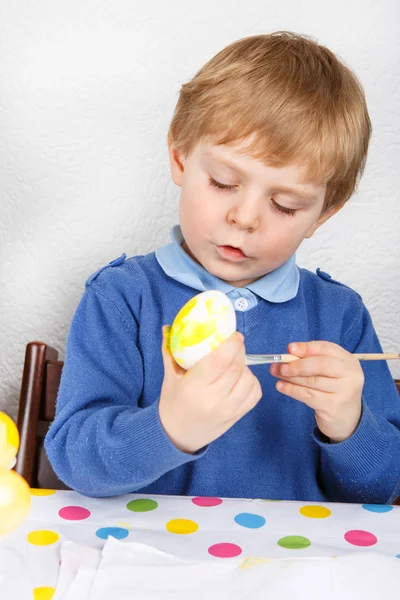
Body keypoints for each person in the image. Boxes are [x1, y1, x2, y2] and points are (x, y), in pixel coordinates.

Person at [45, 32, 400, 503]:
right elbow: (75, 464)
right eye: (223, 181)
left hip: (294, 570)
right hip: (148, 565)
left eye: (286, 204)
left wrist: (349, 426)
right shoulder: (123, 298)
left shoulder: (340, 316)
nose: (245, 218)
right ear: (179, 158)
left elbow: (382, 492)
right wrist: (170, 427)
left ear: (323, 214)